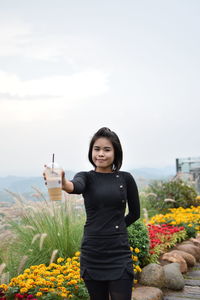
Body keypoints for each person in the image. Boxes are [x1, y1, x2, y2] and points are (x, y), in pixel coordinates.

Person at [61, 127, 140, 300]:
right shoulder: (86, 177)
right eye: (96, 149)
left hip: (119, 252)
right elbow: (74, 186)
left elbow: (135, 213)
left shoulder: (126, 178)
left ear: (116, 152)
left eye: (106, 149)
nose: (101, 154)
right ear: (91, 152)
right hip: (93, 252)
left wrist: (116, 228)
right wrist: (63, 182)